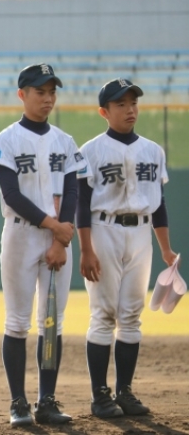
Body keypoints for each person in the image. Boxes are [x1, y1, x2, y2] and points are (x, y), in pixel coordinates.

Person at [0, 64, 86, 427]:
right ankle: (18, 402)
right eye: (40, 92)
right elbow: (11, 195)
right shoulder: (5, 140)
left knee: (52, 322)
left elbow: (73, 190)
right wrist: (55, 227)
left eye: (51, 92)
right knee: (17, 322)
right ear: (22, 95)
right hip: (21, 235)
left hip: (59, 236)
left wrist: (61, 236)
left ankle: (47, 400)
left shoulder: (65, 141)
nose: (47, 98)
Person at [76, 78, 177, 418]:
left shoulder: (153, 151)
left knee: (132, 314)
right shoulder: (90, 151)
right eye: (121, 104)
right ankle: (99, 395)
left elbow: (159, 204)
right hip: (103, 230)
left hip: (141, 234)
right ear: (104, 111)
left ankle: (125, 392)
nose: (130, 109)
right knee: (103, 313)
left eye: (133, 102)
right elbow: (82, 204)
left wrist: (165, 249)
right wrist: (86, 249)